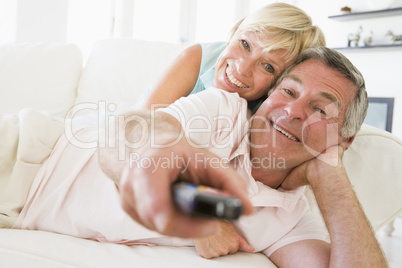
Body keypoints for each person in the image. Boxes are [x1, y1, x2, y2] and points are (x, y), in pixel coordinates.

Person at [13, 47, 387, 267]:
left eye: (322, 111)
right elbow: (121, 141)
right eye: (288, 91)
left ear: (345, 140)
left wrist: (330, 175)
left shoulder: (291, 220)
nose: (293, 112)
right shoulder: (223, 112)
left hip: (19, 217)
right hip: (26, 158)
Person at [137, 3, 325, 113]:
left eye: (268, 67)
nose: (242, 68)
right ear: (235, 32)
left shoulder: (268, 110)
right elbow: (142, 125)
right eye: (245, 44)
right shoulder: (198, 58)